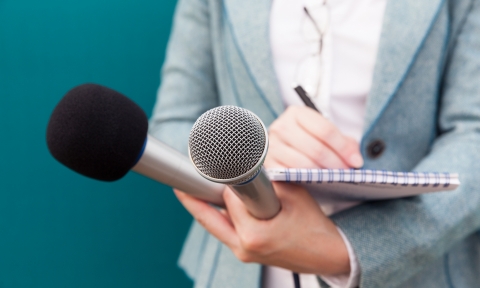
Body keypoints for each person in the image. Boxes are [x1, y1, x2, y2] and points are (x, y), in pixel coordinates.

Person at [149, 0, 480, 287]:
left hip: (421, 272)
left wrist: (350, 249)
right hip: (242, 272)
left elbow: (473, 132)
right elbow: (174, 123)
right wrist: (249, 153)